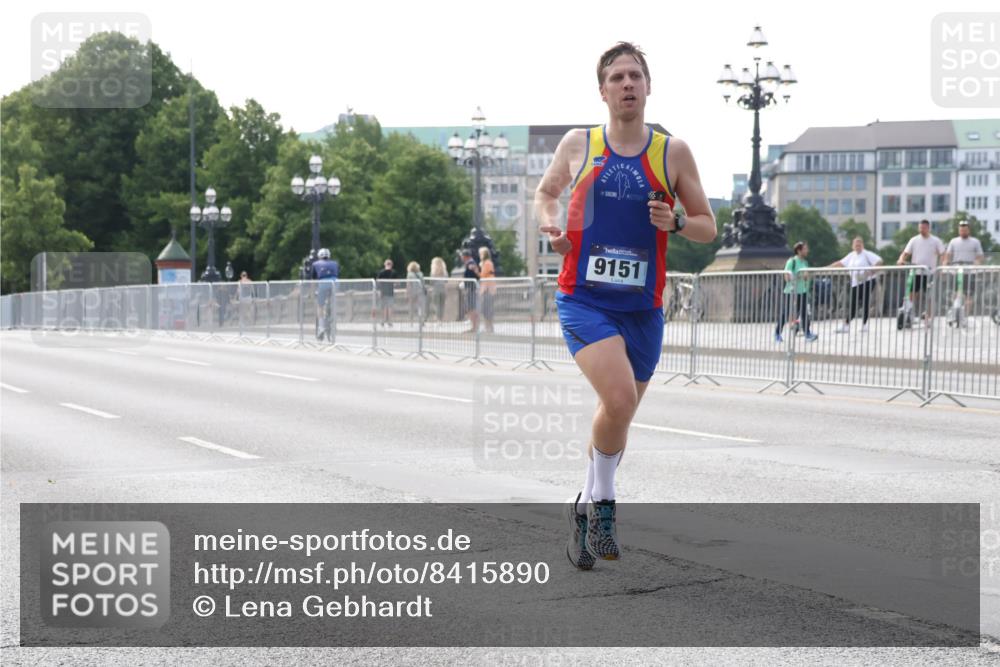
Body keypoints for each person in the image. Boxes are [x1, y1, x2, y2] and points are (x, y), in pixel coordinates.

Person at [536, 42, 716, 570]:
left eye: (635, 75)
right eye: (617, 77)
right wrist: (550, 224)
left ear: (649, 86)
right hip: (584, 297)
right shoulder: (579, 144)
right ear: (602, 91)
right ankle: (606, 506)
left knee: (619, 414)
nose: (627, 84)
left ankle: (584, 504)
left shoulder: (672, 152)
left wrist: (678, 222)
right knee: (616, 399)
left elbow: (707, 226)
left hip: (642, 307)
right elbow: (546, 193)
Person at [828, 237, 882, 333]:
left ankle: (864, 325)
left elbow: (879, 261)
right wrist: (827, 267)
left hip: (867, 281)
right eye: (856, 245)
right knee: (853, 303)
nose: (858, 246)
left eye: (859, 244)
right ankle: (847, 325)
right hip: (855, 282)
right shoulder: (851, 255)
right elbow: (840, 263)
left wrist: (871, 272)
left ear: (862, 245)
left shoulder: (866, 254)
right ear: (853, 246)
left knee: (864, 302)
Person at [897, 219, 945, 325]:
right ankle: (909, 314)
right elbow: (905, 253)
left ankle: (928, 317)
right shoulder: (914, 240)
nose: (921, 230)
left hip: (930, 272)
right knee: (911, 295)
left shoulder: (935, 241)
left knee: (929, 296)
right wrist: (901, 259)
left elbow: (942, 254)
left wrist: (941, 266)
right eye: (920, 228)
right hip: (916, 272)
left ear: (928, 228)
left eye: (923, 228)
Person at [776, 241, 818, 343]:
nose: (807, 251)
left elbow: (806, 276)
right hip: (791, 291)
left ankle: (807, 333)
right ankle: (777, 333)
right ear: (799, 251)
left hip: (802, 291)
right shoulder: (792, 261)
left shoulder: (805, 262)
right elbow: (786, 276)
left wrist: (807, 278)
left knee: (804, 313)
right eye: (805, 249)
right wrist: (799, 276)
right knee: (786, 313)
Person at [944, 220, 985, 315]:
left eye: (965, 230)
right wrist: (945, 262)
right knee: (953, 293)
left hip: (969, 272)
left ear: (968, 230)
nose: (963, 232)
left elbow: (980, 255)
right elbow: (948, 254)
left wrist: (977, 262)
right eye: (961, 230)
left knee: (969, 295)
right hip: (955, 271)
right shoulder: (953, 241)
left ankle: (966, 314)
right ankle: (955, 310)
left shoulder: (975, 241)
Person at [311, 248, 339, 340]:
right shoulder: (335, 263)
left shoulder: (315, 264)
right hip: (335, 282)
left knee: (320, 306)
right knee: (333, 302)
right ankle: (333, 318)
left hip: (323, 283)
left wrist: (312, 292)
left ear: (319, 256)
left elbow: (313, 280)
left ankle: (321, 327)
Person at [460, 250, 480, 333]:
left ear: (465, 256)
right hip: (471, 288)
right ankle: (474, 327)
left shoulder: (471, 263)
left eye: (462, 256)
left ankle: (474, 327)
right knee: (470, 308)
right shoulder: (470, 263)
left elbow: (476, 274)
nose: (461, 258)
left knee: (471, 308)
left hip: (471, 289)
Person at [478, 247, 496, 333]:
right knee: (486, 309)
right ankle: (488, 326)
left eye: (481, 253)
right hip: (487, 288)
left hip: (487, 289)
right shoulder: (487, 263)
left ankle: (489, 327)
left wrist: (475, 270)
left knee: (487, 309)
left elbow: (483, 275)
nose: (479, 255)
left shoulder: (487, 263)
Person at [376, 259, 396, 327]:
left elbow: (378, 283)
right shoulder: (393, 272)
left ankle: (383, 321)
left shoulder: (381, 272)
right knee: (389, 307)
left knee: (383, 307)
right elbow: (396, 283)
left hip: (383, 292)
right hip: (390, 292)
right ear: (391, 265)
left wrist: (379, 291)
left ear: (385, 264)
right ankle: (389, 321)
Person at [429, 256, 448, 321]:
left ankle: (437, 319)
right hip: (443, 289)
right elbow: (446, 281)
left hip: (436, 290)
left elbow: (431, 281)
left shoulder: (433, 272)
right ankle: (441, 319)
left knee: (436, 305)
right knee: (442, 305)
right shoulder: (445, 272)